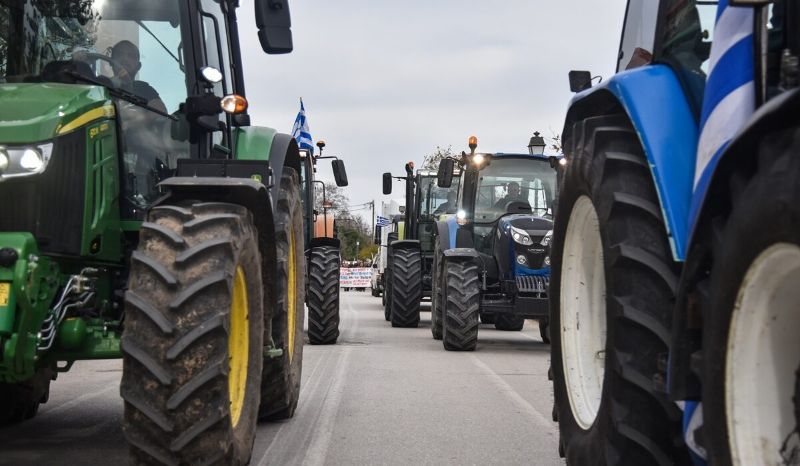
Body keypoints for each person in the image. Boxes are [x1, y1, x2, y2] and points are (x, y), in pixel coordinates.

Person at [110, 40, 167, 112]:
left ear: (138, 66)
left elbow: (161, 115)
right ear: (110, 61)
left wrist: (139, 115)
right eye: (119, 54)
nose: (125, 58)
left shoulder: (145, 89)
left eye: (131, 56)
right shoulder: (101, 84)